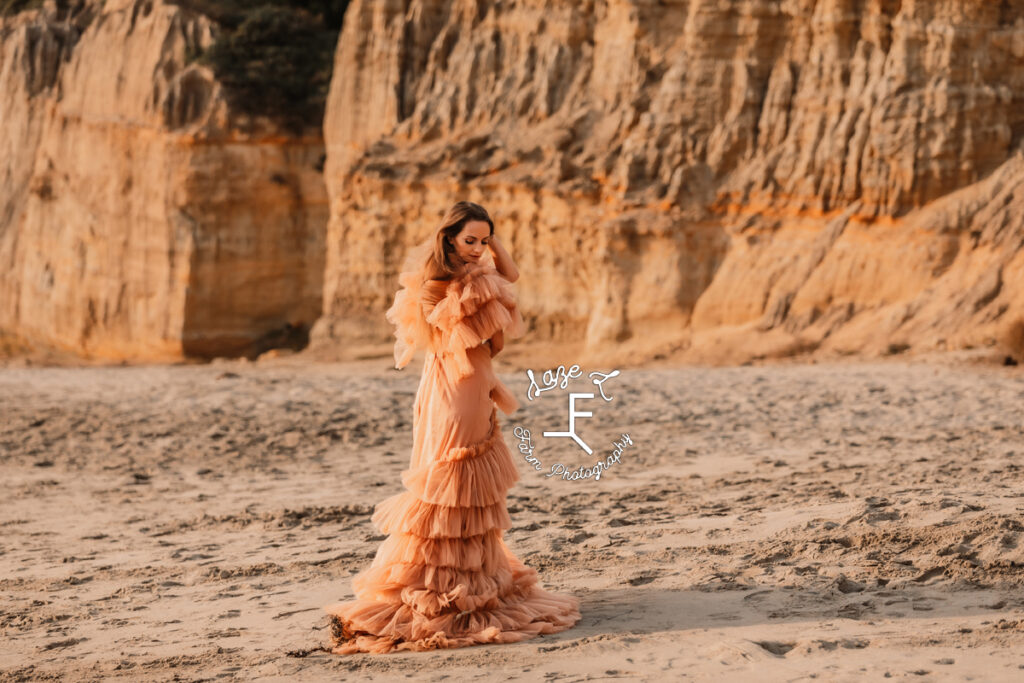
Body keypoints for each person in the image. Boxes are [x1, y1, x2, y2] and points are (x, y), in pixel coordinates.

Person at [322, 201, 582, 653]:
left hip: (476, 384)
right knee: (452, 477)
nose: (480, 249)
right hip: (452, 389)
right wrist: (470, 281)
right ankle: (437, 589)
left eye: (485, 240)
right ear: (447, 239)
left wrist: (489, 244)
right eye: (470, 240)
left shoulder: (478, 273)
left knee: (472, 484)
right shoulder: (437, 284)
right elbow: (450, 337)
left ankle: (476, 580)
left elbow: (513, 276)